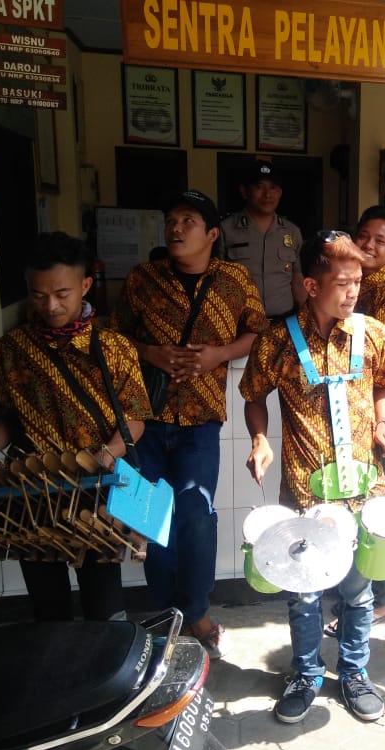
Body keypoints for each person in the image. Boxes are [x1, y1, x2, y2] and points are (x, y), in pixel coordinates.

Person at [241, 231, 385, 724]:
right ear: (311, 285)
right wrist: (260, 439)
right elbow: (253, 395)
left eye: (358, 282)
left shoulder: (374, 333)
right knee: (304, 594)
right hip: (304, 492)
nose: (353, 292)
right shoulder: (276, 341)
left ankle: (354, 672)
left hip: (363, 489)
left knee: (358, 593)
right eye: (343, 283)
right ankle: (306, 673)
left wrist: (383, 422)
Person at [0, 231, 152, 622]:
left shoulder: (114, 348)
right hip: (33, 492)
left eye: (62, 293)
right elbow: (2, 417)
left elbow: (134, 418)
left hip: (95, 490)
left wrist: (108, 453)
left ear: (85, 285)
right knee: (48, 608)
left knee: (104, 606)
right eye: (39, 295)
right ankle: (56, 657)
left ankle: (106, 659)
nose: (51, 306)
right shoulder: (9, 351)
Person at [112, 190, 267, 659]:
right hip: (143, 421)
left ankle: (196, 610)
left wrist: (220, 354)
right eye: (171, 220)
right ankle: (166, 613)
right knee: (153, 517)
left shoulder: (234, 279)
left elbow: (259, 331)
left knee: (197, 516)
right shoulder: (143, 279)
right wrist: (151, 353)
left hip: (201, 420)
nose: (175, 228)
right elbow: (114, 336)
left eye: (188, 221)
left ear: (212, 234)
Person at [324, 206, 385, 638]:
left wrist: (381, 421)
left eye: (380, 240)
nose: (369, 245)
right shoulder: (350, 279)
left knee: (370, 507)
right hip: (354, 410)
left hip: (377, 413)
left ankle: (379, 597)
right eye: (364, 236)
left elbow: (377, 367)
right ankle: (361, 590)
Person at [220, 161, 306, 320]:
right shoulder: (225, 229)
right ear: (245, 191)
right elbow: (214, 281)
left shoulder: (292, 231)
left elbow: (298, 280)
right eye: (259, 187)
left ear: (279, 192)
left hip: (284, 322)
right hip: (241, 323)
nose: (267, 194)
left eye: (273, 187)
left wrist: (305, 319)